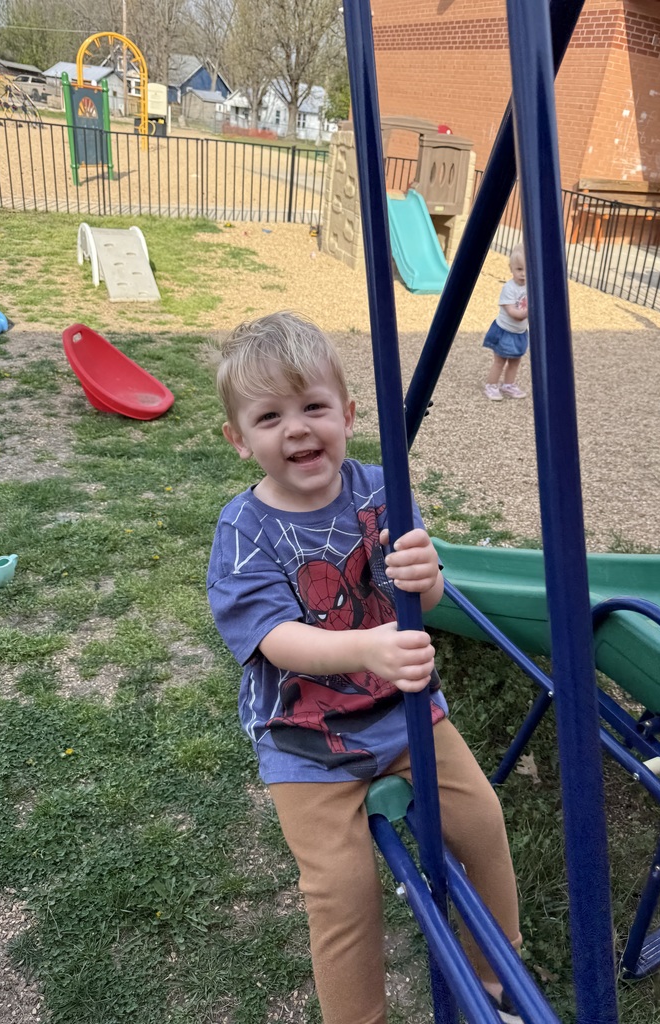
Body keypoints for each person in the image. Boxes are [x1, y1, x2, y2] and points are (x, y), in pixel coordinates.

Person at [207, 312, 524, 1024]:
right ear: (239, 440)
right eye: (269, 417)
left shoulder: (383, 491)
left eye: (313, 407)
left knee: (483, 825)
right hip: (306, 737)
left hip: (407, 712)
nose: (297, 429)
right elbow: (275, 639)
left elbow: (429, 594)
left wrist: (427, 574)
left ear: (347, 414)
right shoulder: (245, 529)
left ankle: (497, 977)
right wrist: (366, 647)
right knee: (343, 891)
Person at [483, 245, 529, 401]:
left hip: (520, 332)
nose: (523, 274)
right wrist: (527, 312)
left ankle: (508, 385)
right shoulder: (509, 288)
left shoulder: (531, 287)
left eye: (527, 269)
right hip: (504, 331)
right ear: (511, 269)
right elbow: (513, 312)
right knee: (500, 361)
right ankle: (491, 385)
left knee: (515, 361)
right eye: (519, 269)